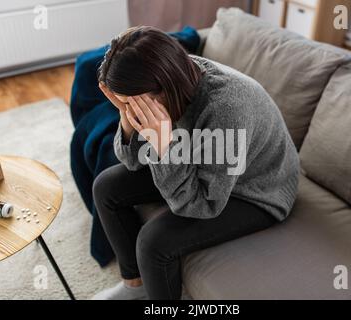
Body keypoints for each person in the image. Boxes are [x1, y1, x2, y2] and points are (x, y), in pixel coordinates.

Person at [92, 26, 300, 300]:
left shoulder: (226, 107)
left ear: (161, 90)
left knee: (153, 242)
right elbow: (131, 161)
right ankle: (136, 287)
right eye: (126, 103)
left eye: (135, 104)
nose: (134, 110)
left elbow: (201, 204)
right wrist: (126, 116)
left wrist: (163, 146)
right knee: (106, 187)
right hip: (201, 160)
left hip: (255, 189)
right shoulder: (172, 82)